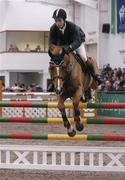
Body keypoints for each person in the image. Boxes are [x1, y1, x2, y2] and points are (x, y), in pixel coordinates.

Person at [48, 8, 102, 85]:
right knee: (53, 63)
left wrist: (68, 48)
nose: (57, 23)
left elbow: (77, 41)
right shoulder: (53, 28)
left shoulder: (72, 27)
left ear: (64, 19)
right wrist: (52, 52)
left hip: (76, 43)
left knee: (84, 58)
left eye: (59, 20)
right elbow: (51, 43)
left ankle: (96, 76)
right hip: (62, 46)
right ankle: (54, 82)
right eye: (56, 21)